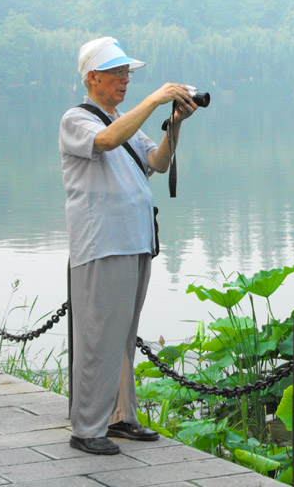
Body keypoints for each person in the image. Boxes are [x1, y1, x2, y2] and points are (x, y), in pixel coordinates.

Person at [59, 37, 198, 455]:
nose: (124, 80)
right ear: (92, 77)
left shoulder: (123, 121)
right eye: (117, 73)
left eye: (128, 74)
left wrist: (174, 124)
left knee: (122, 335)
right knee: (98, 335)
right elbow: (106, 142)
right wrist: (155, 101)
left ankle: (120, 418)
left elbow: (157, 163)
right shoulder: (77, 120)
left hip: (135, 242)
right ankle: (86, 428)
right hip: (101, 245)